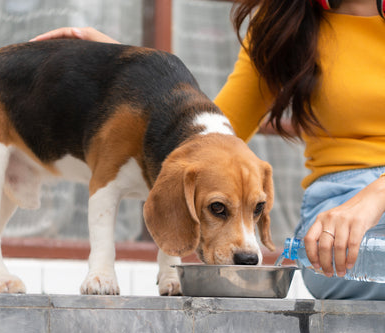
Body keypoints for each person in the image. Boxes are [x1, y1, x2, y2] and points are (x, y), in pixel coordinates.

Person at [30, 0, 385, 299]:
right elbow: (209, 141)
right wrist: (122, 69)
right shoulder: (285, 23)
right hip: (339, 213)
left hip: (366, 205)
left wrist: (375, 197)